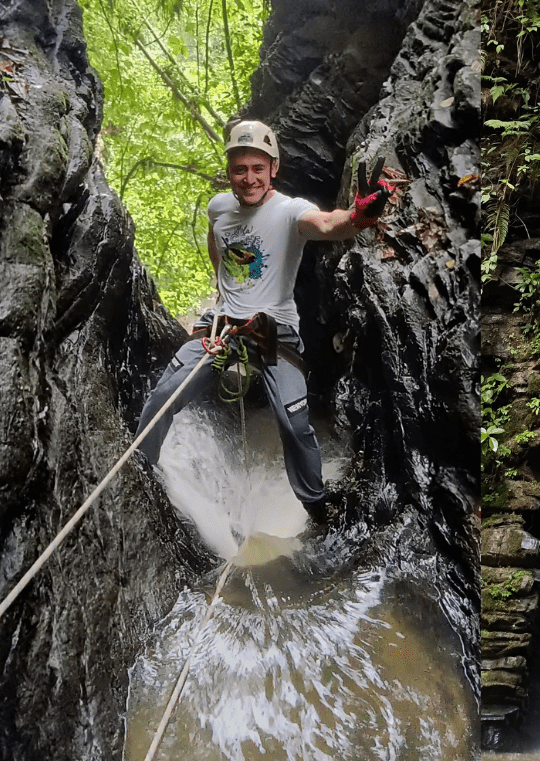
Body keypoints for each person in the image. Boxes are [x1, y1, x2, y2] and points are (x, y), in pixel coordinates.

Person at [134, 119, 397, 524]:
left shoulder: (290, 211)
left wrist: (359, 217)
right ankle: (138, 474)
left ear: (274, 168)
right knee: (164, 396)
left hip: (273, 330)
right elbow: (216, 242)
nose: (249, 178)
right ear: (229, 172)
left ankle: (317, 506)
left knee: (293, 424)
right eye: (240, 169)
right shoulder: (218, 207)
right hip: (221, 326)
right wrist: (222, 290)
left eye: (258, 168)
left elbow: (328, 224)